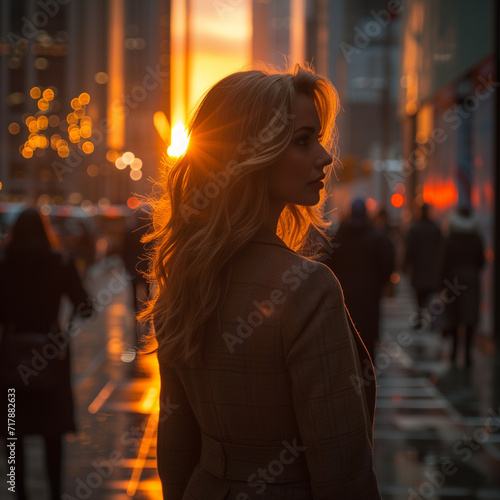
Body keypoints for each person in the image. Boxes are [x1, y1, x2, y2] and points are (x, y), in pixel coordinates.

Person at [141, 65, 381, 499]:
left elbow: (175, 443)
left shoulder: (183, 281)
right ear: (254, 154)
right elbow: (343, 469)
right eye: (303, 141)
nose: (325, 157)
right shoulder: (308, 289)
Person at [0, 207, 92, 500]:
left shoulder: (3, 264)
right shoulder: (60, 263)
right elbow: (86, 308)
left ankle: (18, 492)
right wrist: (63, 329)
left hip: (11, 356)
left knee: (12, 432)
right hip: (50, 354)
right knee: (52, 434)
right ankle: (54, 494)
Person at [324, 198, 395, 359]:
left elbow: (326, 264)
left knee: (346, 333)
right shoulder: (377, 238)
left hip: (345, 293)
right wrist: (380, 283)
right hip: (370, 294)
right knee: (368, 336)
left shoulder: (338, 238)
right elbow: (387, 265)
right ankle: (368, 369)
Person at [441, 206, 485, 368]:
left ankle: (453, 352)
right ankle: (467, 355)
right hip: (472, 280)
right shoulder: (476, 237)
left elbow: (445, 261)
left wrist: (442, 283)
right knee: (470, 318)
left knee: (454, 316)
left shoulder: (451, 237)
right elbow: (481, 261)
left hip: (454, 280)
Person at [403, 203, 443, 331]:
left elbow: (410, 250)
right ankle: (432, 322)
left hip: (419, 269)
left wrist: (405, 266)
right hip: (432, 269)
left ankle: (420, 321)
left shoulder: (415, 229)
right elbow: (442, 250)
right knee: (431, 297)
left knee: (419, 298)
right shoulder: (436, 229)